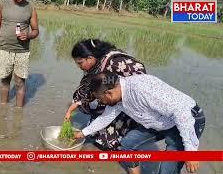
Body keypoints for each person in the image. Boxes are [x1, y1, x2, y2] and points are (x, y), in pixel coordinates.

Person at [75, 72, 206, 174]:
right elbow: (105, 118)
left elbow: (181, 113)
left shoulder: (141, 89)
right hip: (158, 121)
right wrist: (83, 132)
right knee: (128, 144)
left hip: (187, 121)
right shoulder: (118, 95)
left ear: (108, 93)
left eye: (100, 98)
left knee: (166, 170)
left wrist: (191, 152)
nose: (101, 102)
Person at [64, 39, 146, 151]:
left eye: (80, 63)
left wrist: (120, 93)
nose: (79, 67)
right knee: (95, 132)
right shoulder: (96, 65)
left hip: (125, 102)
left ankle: (122, 144)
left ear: (90, 58)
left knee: (112, 142)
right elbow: (89, 87)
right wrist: (74, 105)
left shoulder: (115, 62)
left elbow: (140, 75)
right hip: (113, 101)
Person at [0, 0, 39, 107]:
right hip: (5, 50)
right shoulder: (1, 4)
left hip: (22, 52)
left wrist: (27, 36)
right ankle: (3, 108)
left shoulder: (31, 7)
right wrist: (4, 37)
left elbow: (36, 30)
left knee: (20, 83)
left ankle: (19, 112)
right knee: (5, 81)